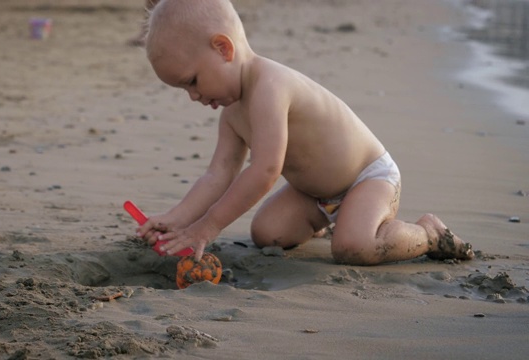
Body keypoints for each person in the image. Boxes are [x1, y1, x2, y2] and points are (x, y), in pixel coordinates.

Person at [136, 0, 475, 265]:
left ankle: (429, 234)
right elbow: (217, 174)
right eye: (184, 90)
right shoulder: (231, 115)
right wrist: (176, 219)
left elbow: (266, 170)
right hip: (314, 195)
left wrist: (208, 226)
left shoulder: (271, 86)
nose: (193, 96)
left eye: (192, 81)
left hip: (368, 178)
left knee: (353, 247)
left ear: (223, 48)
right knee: (267, 233)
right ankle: (331, 220)